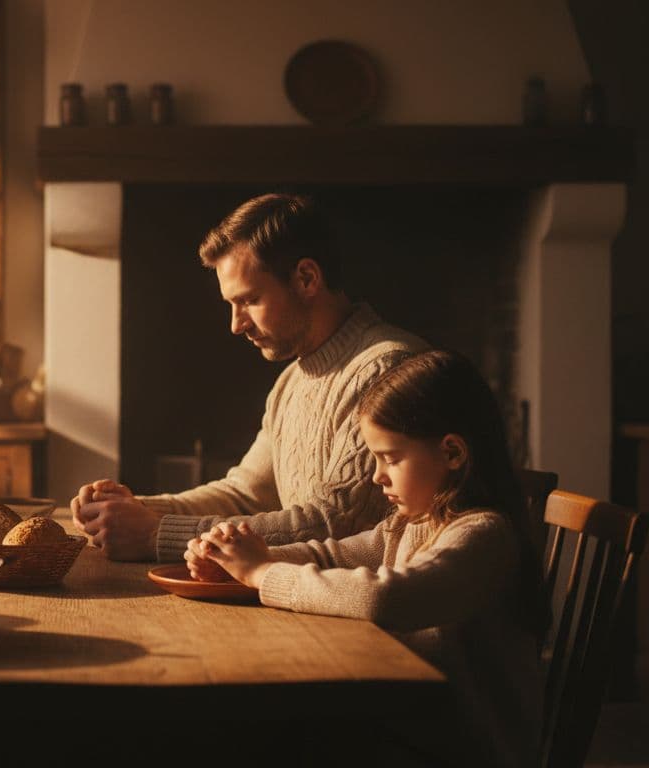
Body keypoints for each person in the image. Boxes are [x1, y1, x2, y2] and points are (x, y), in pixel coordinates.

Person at [189, 350, 547, 766]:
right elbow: (333, 554)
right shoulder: (413, 523)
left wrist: (263, 572)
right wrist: (239, 562)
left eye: (390, 458)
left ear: (452, 453)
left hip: (465, 749)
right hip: (415, 727)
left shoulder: (485, 536)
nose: (378, 476)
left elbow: (388, 598)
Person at [71, 193, 427, 561]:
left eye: (249, 300)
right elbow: (244, 495)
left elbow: (337, 524)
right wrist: (135, 508)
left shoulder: (388, 369)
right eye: (231, 304)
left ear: (307, 278)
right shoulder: (293, 379)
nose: (236, 325)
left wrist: (155, 534)